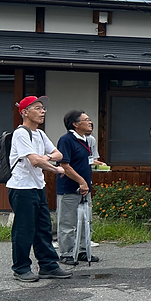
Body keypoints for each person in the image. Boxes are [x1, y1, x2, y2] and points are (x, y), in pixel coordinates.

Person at [7, 96, 72, 282]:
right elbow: (34, 161)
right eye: (37, 108)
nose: (43, 111)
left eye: (43, 108)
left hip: (37, 186)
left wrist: (47, 161)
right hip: (21, 188)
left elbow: (58, 153)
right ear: (25, 112)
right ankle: (21, 268)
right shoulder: (21, 133)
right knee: (24, 229)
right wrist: (52, 164)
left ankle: (48, 266)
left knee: (43, 228)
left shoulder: (40, 134)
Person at [55, 110, 104, 267]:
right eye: (86, 120)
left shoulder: (87, 140)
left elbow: (85, 160)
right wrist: (82, 182)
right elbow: (65, 165)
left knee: (85, 221)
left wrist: (95, 164)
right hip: (69, 188)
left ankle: (83, 250)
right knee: (67, 222)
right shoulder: (66, 140)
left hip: (85, 187)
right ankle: (67, 253)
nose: (90, 123)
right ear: (75, 124)